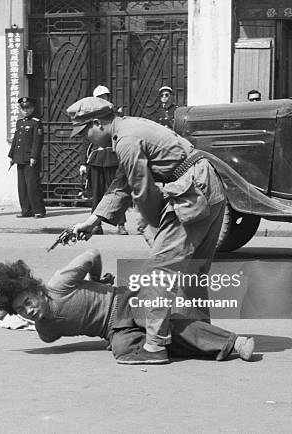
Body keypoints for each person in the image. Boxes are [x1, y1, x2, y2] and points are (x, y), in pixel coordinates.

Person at [67, 97, 226, 364]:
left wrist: (153, 225)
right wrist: (95, 219)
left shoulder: (126, 140)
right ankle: (203, 336)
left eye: (85, 132)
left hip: (190, 193)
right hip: (209, 188)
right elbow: (124, 181)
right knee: (193, 271)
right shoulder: (129, 127)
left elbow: (140, 188)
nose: (86, 139)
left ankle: (155, 346)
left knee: (158, 272)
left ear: (97, 123)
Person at [0, 249, 255, 364]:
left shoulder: (58, 285)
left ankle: (234, 343)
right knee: (123, 350)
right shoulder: (45, 332)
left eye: (28, 301)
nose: (28, 310)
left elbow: (91, 254)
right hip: (114, 330)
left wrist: (95, 278)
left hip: (126, 300)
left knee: (153, 324)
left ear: (36, 289)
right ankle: (166, 346)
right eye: (21, 310)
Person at [80, 85, 128, 236]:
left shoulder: (115, 114)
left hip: (112, 157)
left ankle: (121, 224)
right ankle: (96, 225)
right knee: (97, 193)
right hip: (96, 159)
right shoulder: (89, 116)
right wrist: (83, 162)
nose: (102, 99)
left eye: (105, 96)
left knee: (116, 192)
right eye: (99, 97)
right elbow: (86, 140)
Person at [8, 97, 46, 219]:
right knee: (22, 186)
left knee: (32, 185)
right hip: (19, 158)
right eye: (23, 108)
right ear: (20, 109)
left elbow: (37, 141)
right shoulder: (19, 122)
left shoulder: (36, 123)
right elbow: (16, 140)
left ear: (32, 108)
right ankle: (26, 210)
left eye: (28, 108)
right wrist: (11, 155)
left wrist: (34, 156)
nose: (26, 111)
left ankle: (39, 210)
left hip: (30, 159)